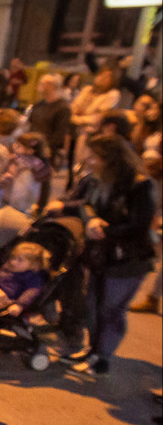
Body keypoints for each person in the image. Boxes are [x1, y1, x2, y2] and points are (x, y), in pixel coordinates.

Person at [53, 134, 158, 375]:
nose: (89, 160)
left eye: (94, 156)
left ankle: (102, 358)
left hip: (128, 260)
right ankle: (94, 351)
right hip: (102, 255)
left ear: (111, 158)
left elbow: (139, 225)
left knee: (111, 309)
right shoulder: (100, 180)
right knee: (92, 304)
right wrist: (92, 220)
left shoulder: (141, 185)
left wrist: (103, 228)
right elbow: (87, 205)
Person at [27, 74, 71, 167]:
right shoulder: (39, 105)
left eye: (44, 83)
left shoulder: (62, 108)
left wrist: (46, 147)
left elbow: (60, 133)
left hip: (48, 151)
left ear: (53, 86)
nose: (40, 85)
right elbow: (30, 124)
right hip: (32, 147)